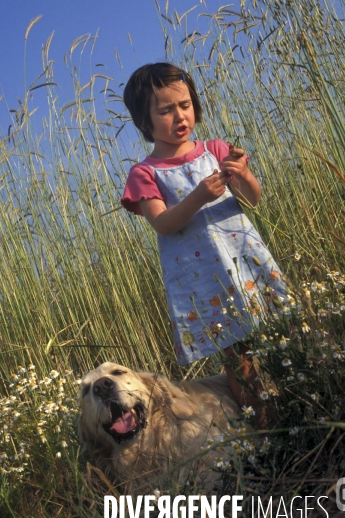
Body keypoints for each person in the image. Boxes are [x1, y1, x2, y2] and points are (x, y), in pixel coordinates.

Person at [121, 62, 286, 429]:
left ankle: (298, 398)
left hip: (243, 260)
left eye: (185, 105)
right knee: (237, 355)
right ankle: (266, 426)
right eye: (165, 110)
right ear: (144, 122)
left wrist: (241, 175)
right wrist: (197, 196)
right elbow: (163, 224)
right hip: (203, 281)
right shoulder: (145, 173)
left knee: (280, 329)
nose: (179, 115)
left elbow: (253, 199)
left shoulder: (215, 149)